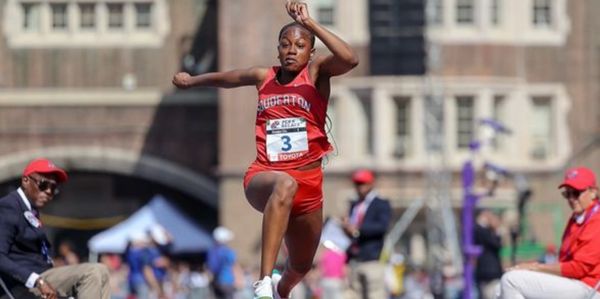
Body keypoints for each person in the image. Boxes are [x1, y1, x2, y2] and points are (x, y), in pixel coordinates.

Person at [172, 1, 358, 298]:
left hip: (310, 185)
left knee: (300, 266)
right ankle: (263, 282)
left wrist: (309, 23)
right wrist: (193, 81)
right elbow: (229, 78)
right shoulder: (264, 77)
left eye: (299, 45)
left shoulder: (317, 73)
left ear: (311, 52)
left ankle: (281, 290)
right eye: (285, 45)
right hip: (266, 175)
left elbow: (349, 59)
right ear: (278, 50)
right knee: (285, 184)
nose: (291, 50)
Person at [0, 158, 110, 299]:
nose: (48, 192)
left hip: (44, 278)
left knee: (103, 272)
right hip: (24, 285)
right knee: (92, 272)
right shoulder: (8, 207)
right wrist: (37, 280)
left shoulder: (30, 209)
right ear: (25, 181)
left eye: (53, 188)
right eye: (44, 184)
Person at [497, 167, 600, 299]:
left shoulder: (596, 220)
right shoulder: (578, 218)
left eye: (576, 193)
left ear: (593, 192)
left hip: (588, 288)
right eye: (567, 194)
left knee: (511, 281)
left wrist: (535, 267)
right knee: (498, 289)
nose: (571, 199)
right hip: (573, 283)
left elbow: (578, 269)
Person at [342, 169, 392, 299]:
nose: (359, 187)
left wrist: (358, 229)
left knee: (374, 294)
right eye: (357, 184)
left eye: (363, 183)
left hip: (372, 258)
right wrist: (346, 228)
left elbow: (382, 227)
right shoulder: (354, 205)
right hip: (354, 259)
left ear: (371, 184)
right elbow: (352, 232)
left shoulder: (380, 204)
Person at [474, 209, 503, 299]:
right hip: (488, 273)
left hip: (492, 274)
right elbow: (495, 244)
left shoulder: (488, 231)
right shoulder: (481, 230)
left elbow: (497, 245)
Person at [206, 226, 240, 299]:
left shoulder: (212, 251)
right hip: (227, 282)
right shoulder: (228, 252)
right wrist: (239, 280)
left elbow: (211, 268)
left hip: (216, 282)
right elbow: (234, 266)